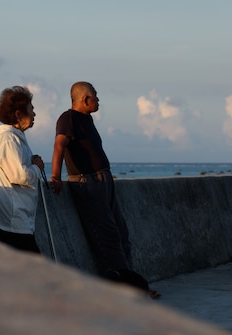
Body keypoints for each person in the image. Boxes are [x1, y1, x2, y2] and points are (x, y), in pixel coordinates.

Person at [50, 81, 161, 299]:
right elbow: (59, 146)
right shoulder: (68, 118)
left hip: (104, 181)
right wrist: (55, 176)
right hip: (87, 184)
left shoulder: (87, 119)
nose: (98, 100)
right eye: (95, 97)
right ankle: (129, 289)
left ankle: (134, 283)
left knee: (121, 232)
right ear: (84, 99)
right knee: (108, 236)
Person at [0, 86, 46, 254]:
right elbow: (19, 175)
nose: (34, 114)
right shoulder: (8, 140)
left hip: (19, 218)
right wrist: (37, 167)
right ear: (19, 114)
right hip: (14, 219)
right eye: (31, 110)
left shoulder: (15, 138)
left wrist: (32, 163)